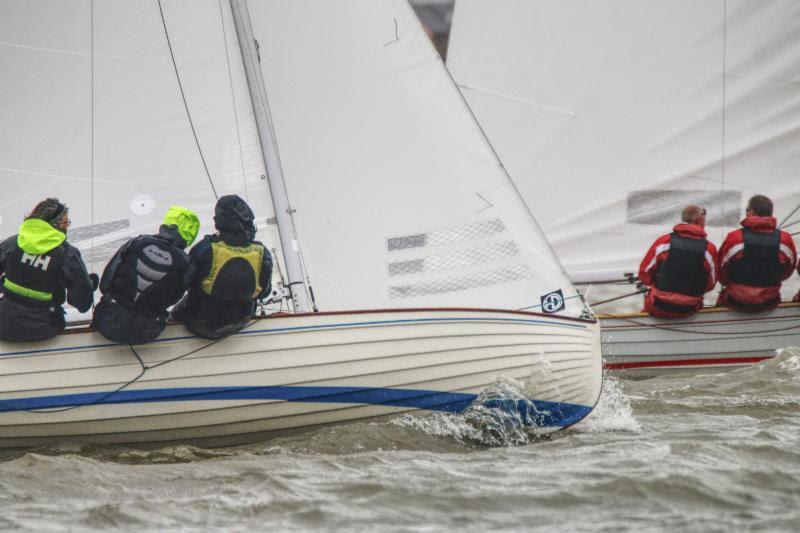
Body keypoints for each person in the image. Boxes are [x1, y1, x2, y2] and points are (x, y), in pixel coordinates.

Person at [92, 205, 199, 345]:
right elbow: (175, 297)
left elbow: (106, 282)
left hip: (107, 318)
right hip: (145, 331)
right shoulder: (187, 264)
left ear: (166, 224)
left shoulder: (138, 241)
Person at [171, 195, 272, 340]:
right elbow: (264, 292)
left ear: (219, 221)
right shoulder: (262, 253)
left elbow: (185, 283)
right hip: (240, 321)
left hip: (198, 321)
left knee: (178, 309)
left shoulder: (205, 248)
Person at [0, 198, 96, 342]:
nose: (67, 227)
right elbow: (82, 304)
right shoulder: (67, 255)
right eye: (66, 223)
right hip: (43, 329)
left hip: (4, 324)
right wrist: (89, 284)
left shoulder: (13, 244)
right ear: (55, 225)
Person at [717, 195, 797, 312]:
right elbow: (788, 271)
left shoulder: (734, 238)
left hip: (736, 301)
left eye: (747, 210)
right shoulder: (785, 240)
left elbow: (721, 272)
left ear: (752, 212)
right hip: (770, 301)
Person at [638, 204, 718, 318]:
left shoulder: (664, 242)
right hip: (689, 309)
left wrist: (660, 284)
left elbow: (644, 273)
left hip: (659, 306)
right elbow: (711, 284)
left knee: (652, 299)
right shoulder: (709, 249)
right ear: (700, 220)